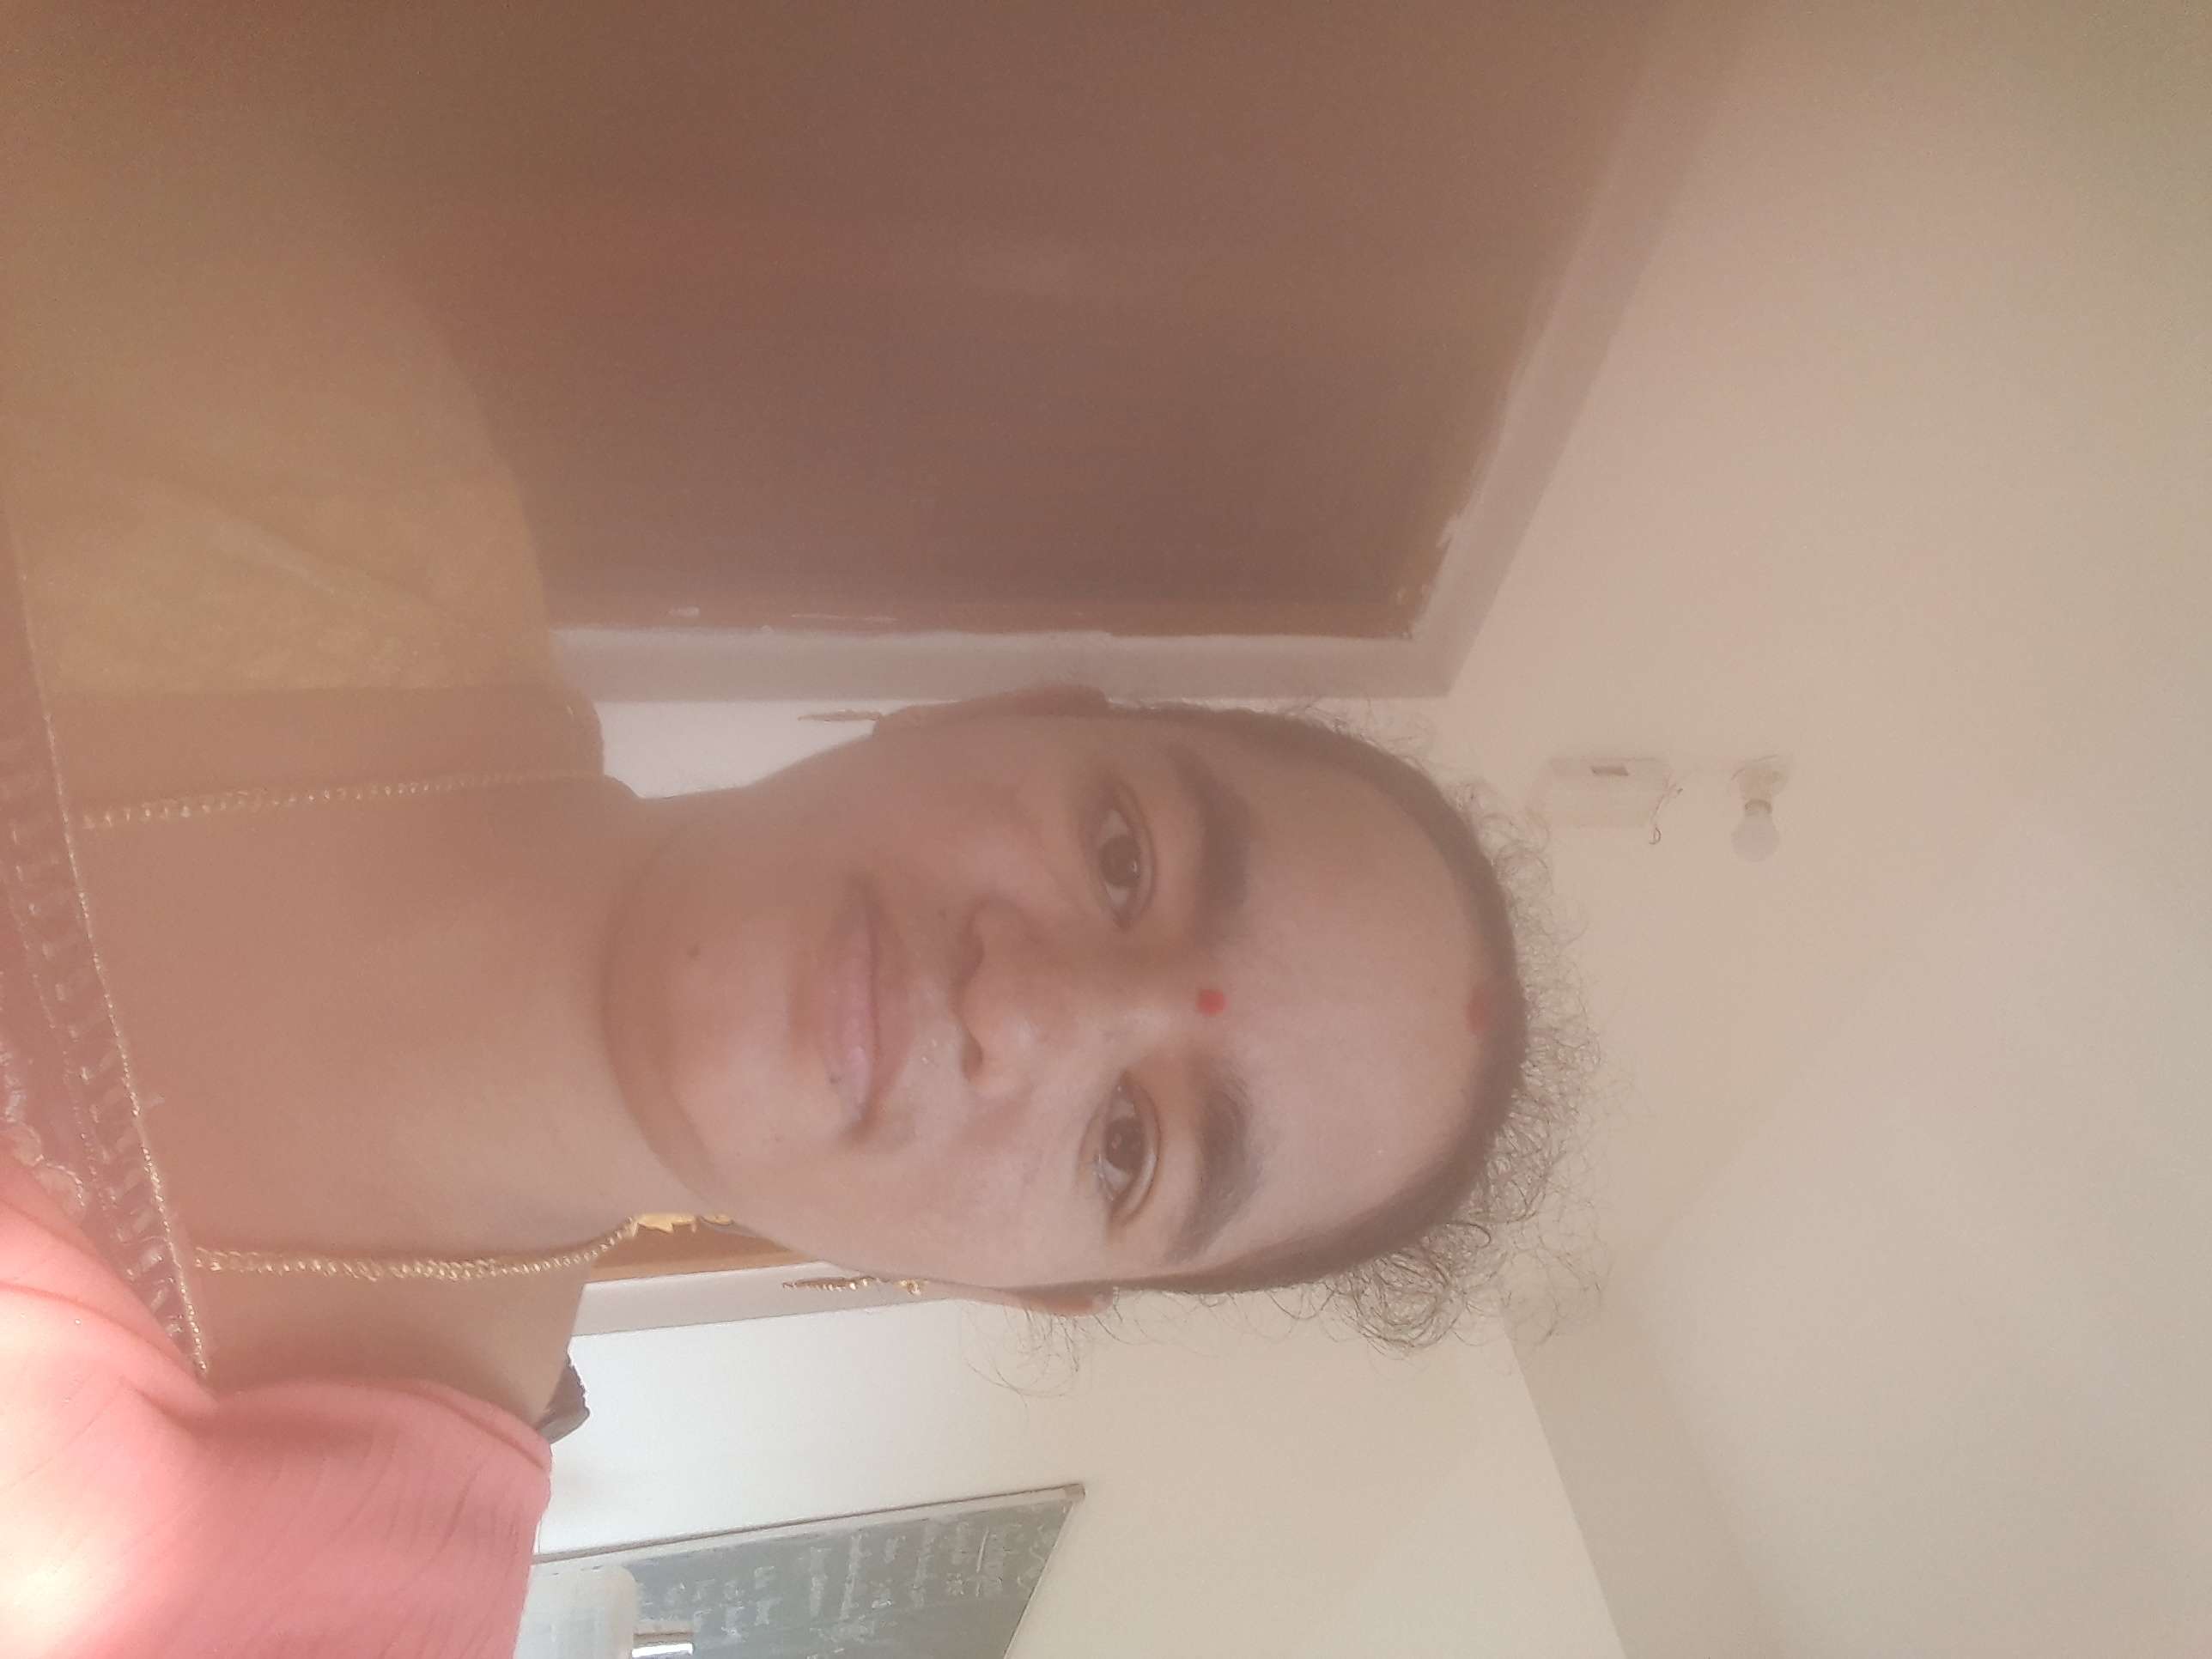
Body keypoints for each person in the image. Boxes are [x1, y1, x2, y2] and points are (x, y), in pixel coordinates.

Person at [0, 14, 1572, 1658]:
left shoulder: (329, 1602)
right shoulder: (291, 435)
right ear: (993, 714)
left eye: (1129, 1148)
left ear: (1017, 1285)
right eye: (1125, 857)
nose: (1026, 1005)